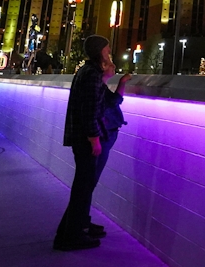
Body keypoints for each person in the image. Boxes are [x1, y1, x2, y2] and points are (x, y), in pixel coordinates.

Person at [54, 35, 130, 251]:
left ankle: (77, 226)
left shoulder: (92, 74)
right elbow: (89, 112)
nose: (110, 53)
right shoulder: (91, 75)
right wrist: (94, 139)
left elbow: (109, 100)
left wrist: (118, 81)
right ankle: (70, 236)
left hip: (85, 138)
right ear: (99, 52)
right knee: (83, 187)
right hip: (86, 140)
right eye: (107, 50)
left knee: (85, 186)